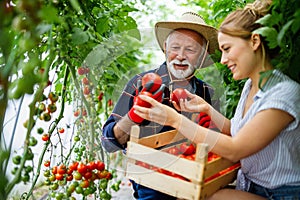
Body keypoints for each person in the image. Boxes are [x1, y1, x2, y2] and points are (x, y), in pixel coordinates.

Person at [133, 1, 300, 199]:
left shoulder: (284, 93)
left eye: (227, 49)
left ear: (255, 42)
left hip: (281, 194)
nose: (222, 60)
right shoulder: (250, 85)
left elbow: (236, 149)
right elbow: (238, 130)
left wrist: (175, 120)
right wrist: (207, 110)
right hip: (251, 185)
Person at [101, 12, 219, 200]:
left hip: (196, 179)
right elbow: (108, 143)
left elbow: (215, 142)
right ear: (165, 48)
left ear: (202, 54)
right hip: (152, 185)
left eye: (190, 49)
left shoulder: (207, 92)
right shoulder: (140, 83)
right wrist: (134, 115)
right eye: (175, 47)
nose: (181, 56)